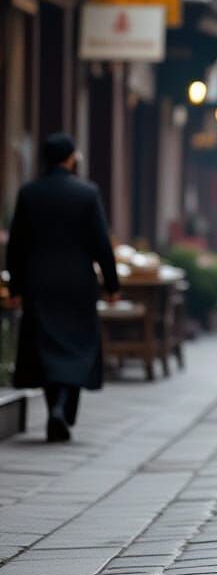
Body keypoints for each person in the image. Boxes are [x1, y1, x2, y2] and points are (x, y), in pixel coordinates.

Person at [7, 133, 120, 442]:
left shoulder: (30, 193)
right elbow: (100, 243)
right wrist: (112, 285)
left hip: (39, 281)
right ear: (70, 158)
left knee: (45, 346)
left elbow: (16, 244)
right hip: (77, 282)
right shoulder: (87, 193)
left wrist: (15, 285)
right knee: (77, 345)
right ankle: (64, 406)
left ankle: (54, 407)